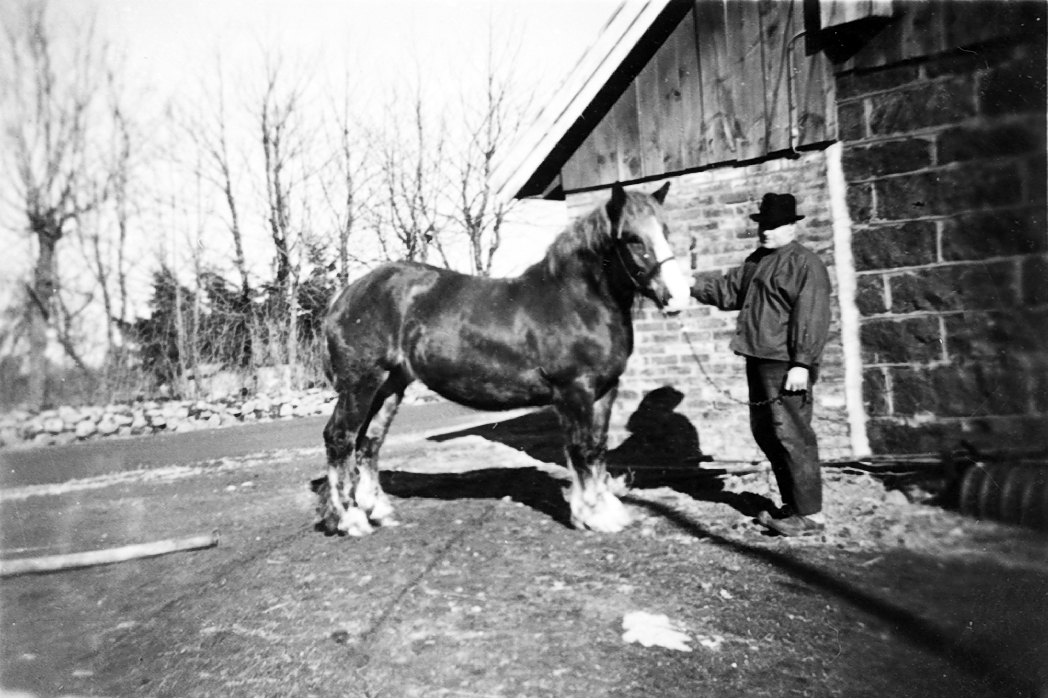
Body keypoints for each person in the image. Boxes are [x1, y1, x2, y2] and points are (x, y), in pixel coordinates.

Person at [690, 193, 831, 536]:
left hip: (786, 365)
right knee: (768, 433)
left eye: (775, 225)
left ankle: (811, 516)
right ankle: (793, 507)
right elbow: (727, 292)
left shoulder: (805, 263)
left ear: (792, 226)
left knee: (791, 433)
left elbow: (811, 316)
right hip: (757, 359)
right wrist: (690, 284)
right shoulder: (756, 261)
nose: (767, 231)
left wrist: (801, 364)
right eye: (763, 225)